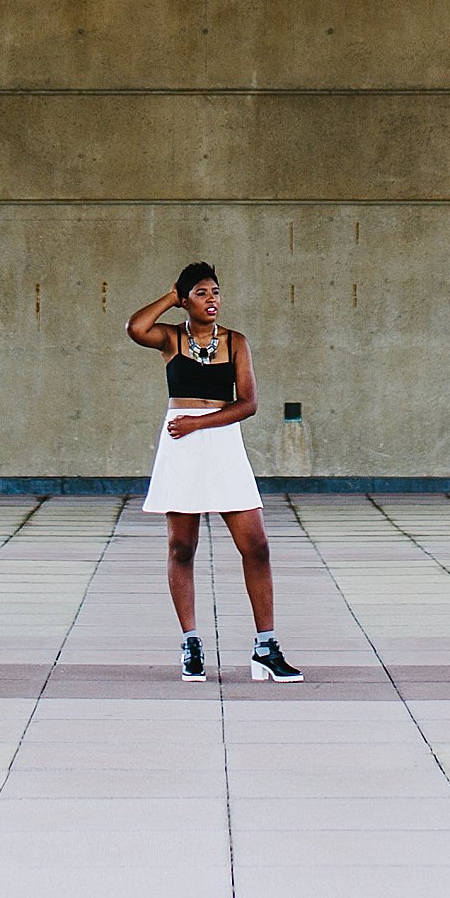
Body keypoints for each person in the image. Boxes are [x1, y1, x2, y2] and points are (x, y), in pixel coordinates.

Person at [126, 263, 302, 682]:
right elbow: (135, 327)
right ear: (186, 299)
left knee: (256, 544)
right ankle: (191, 643)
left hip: (220, 442)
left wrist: (198, 423)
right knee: (181, 547)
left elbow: (248, 404)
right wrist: (173, 294)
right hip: (181, 446)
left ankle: (265, 647)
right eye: (202, 293)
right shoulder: (171, 338)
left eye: (216, 292)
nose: (212, 300)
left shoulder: (236, 342)